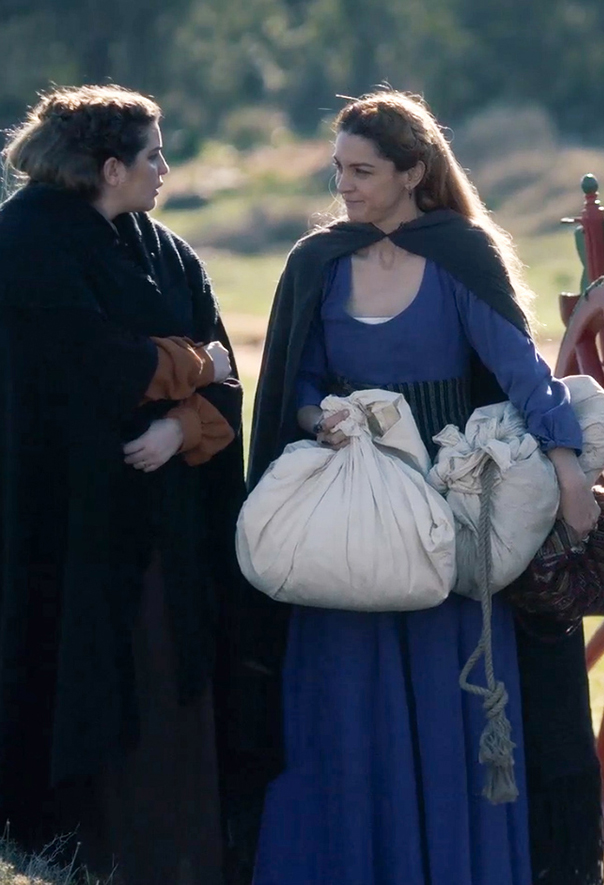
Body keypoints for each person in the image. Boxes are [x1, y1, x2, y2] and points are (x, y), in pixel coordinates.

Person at [247, 90, 604, 885]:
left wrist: (567, 463)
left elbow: (520, 369)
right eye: (338, 168)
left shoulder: (458, 257)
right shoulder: (318, 263)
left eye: (363, 171)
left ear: (413, 172)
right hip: (348, 525)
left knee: (447, 713)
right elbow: (295, 385)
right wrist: (321, 418)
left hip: (447, 521)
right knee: (347, 711)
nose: (344, 185)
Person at [0, 85, 249, 884]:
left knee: (168, 687)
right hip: (57, 523)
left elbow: (228, 373)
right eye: (153, 155)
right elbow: (93, 364)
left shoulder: (163, 248)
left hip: (159, 527)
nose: (165, 168)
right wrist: (188, 364)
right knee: (73, 690)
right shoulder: (27, 239)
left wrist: (186, 426)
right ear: (110, 167)